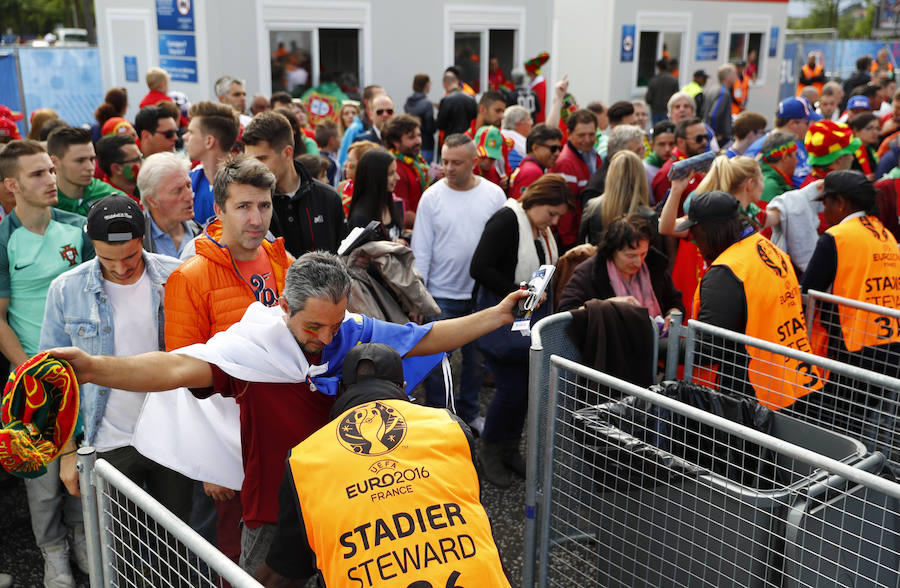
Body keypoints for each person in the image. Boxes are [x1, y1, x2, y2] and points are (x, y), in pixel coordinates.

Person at [50, 251, 530, 574]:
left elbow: (427, 340)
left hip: (348, 507)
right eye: (313, 326)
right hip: (272, 513)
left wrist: (499, 315)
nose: (326, 338)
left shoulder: (353, 334)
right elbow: (174, 367)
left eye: (335, 324)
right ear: (283, 307)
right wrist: (93, 368)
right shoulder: (251, 350)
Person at [255, 343, 511, 587]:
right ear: (404, 386)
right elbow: (470, 508)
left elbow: (285, 569)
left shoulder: (305, 460)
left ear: (341, 390)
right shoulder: (450, 427)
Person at [42, 194, 191, 518]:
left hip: (172, 435)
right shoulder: (66, 289)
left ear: (143, 238)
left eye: (131, 256)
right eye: (107, 259)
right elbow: (51, 381)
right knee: (119, 552)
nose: (121, 268)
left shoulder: (178, 276)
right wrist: (68, 452)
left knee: (179, 545)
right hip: (108, 443)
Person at [0, 139, 95, 587]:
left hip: (80, 372)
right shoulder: (4, 239)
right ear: (11, 185)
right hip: (30, 381)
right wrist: (30, 374)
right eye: (38, 174)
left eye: (51, 171)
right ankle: (52, 554)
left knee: (83, 466)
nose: (51, 180)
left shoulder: (78, 229)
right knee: (40, 477)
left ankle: (81, 539)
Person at [679, 190, 822, 411]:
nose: (692, 239)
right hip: (795, 380)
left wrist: (660, 343)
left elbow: (706, 349)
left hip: (757, 396)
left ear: (708, 229)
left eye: (694, 230)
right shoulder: (768, 248)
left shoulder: (727, 271)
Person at [469, 174, 569, 486]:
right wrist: (518, 292)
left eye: (557, 216)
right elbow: (479, 267)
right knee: (511, 389)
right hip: (503, 317)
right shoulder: (506, 220)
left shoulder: (538, 226)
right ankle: (490, 451)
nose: (552, 222)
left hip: (526, 318)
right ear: (536, 201)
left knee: (525, 390)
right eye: (550, 214)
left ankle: (509, 449)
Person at [412, 134, 506, 435]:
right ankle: (441, 420)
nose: (448, 168)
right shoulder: (432, 196)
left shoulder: (494, 195)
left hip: (480, 295)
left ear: (474, 162)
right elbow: (422, 250)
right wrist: (419, 296)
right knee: (437, 363)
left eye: (456, 163)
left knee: (476, 362)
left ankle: (468, 413)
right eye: (445, 161)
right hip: (440, 295)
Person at [799, 171, 900, 449]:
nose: (823, 210)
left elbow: (807, 290)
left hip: (851, 346)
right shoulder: (884, 233)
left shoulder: (836, 237)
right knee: (866, 424)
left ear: (840, 203)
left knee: (839, 428)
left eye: (826, 204)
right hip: (889, 343)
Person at [660, 155, 764, 313]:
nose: (763, 186)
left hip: (739, 292)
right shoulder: (712, 216)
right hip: (712, 291)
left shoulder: (753, 213)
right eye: (761, 180)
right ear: (750, 184)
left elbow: (774, 217)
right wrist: (676, 190)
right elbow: (666, 228)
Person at [242, 111, 345, 256]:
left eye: (261, 159)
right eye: (249, 160)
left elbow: (342, 257)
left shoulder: (327, 198)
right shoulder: (247, 204)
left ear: (287, 153)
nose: (254, 167)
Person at [559, 214, 683, 332]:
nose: (638, 262)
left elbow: (674, 300)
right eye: (630, 256)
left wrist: (673, 314)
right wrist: (609, 305)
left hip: (656, 343)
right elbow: (566, 313)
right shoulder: (589, 272)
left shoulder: (654, 265)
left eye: (643, 254)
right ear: (613, 251)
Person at [183, 100, 241, 225]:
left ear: (209, 141)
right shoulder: (188, 179)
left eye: (191, 132)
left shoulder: (244, 184)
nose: (184, 137)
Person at [551, 109, 601, 250]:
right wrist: (570, 242)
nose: (587, 140)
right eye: (581, 135)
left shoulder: (594, 156)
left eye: (591, 134)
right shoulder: (565, 163)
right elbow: (565, 206)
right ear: (569, 134)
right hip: (572, 240)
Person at [744, 97, 821, 188]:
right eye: (807, 123)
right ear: (793, 123)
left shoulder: (798, 142)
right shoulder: (760, 148)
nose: (809, 127)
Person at [581, 150, 654, 246]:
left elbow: (581, 244)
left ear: (610, 174)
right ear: (640, 177)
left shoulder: (592, 207)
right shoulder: (648, 216)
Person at [136, 152, 200, 258]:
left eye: (188, 186)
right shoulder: (134, 242)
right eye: (177, 191)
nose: (189, 197)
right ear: (152, 200)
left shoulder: (201, 234)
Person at [47, 127, 120, 216]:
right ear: (54, 162)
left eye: (92, 159)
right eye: (80, 160)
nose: (90, 167)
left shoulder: (111, 197)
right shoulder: (42, 202)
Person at [346, 149, 403, 242]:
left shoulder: (392, 204)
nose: (397, 177)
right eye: (391, 173)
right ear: (375, 177)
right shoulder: (360, 218)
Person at [382, 114, 427, 229]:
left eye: (419, 135)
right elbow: (403, 213)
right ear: (396, 142)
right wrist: (430, 225)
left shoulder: (417, 163)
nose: (418, 141)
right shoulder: (396, 170)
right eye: (411, 137)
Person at [651, 117, 709, 206]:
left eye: (706, 137)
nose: (704, 142)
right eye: (699, 138)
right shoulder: (668, 173)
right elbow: (663, 216)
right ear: (680, 142)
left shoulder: (700, 163)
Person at [509, 123, 563, 201]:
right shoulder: (532, 172)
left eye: (560, 148)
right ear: (535, 148)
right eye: (553, 148)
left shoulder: (528, 167)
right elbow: (525, 207)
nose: (557, 153)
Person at [337, 85, 385, 166]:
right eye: (379, 97)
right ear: (367, 102)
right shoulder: (355, 129)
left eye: (390, 111)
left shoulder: (389, 128)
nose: (350, 116)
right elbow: (345, 163)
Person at [336, 140, 380, 216]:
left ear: (363, 165)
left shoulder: (379, 193)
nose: (345, 164)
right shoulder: (341, 187)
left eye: (349, 160)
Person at [95, 134, 142, 201]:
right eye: (136, 160)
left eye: (141, 157)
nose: (143, 162)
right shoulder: (106, 200)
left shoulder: (147, 185)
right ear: (116, 168)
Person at [700, 63, 737, 145]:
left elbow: (703, 112)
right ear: (728, 77)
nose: (736, 77)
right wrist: (715, 135)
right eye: (734, 74)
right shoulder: (723, 93)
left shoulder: (712, 89)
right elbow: (714, 115)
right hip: (720, 139)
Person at [437, 67, 478, 139]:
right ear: (457, 81)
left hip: (451, 140)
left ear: (445, 83)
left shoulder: (446, 100)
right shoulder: (471, 98)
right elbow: (476, 120)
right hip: (468, 139)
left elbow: (441, 125)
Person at [403, 73, 436, 163]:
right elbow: (430, 128)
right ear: (426, 85)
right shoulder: (427, 104)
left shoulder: (408, 102)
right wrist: (436, 121)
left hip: (410, 143)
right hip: (426, 143)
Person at [759, 132, 799, 204]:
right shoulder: (770, 186)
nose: (797, 161)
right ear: (785, 157)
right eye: (795, 155)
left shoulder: (774, 179)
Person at [645, 58, 679, 124]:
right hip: (668, 111)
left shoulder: (653, 80)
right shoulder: (673, 80)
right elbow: (677, 98)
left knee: (656, 131)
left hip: (655, 112)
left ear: (658, 68)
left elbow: (648, 98)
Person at [643, 120, 675, 191]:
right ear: (652, 145)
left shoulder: (682, 162)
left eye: (672, 144)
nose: (667, 149)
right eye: (661, 144)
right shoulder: (644, 169)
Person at [848, 113, 880, 180]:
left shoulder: (871, 149)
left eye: (877, 128)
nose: (875, 132)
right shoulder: (849, 152)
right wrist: (864, 179)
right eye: (869, 128)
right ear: (856, 131)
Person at [501, 105, 533, 171]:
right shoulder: (522, 144)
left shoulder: (500, 135)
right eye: (529, 120)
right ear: (519, 123)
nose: (531, 123)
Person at [313, 120, 340, 186]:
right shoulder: (332, 163)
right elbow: (332, 185)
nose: (340, 140)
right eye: (338, 137)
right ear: (332, 140)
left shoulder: (315, 156)